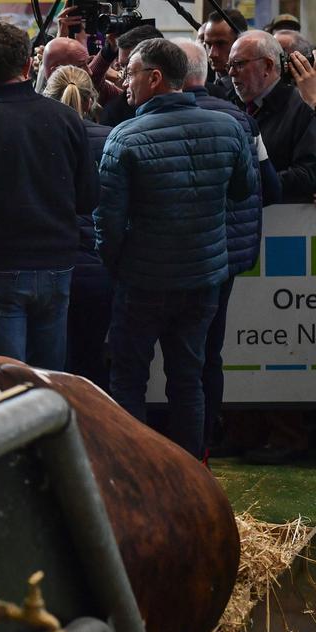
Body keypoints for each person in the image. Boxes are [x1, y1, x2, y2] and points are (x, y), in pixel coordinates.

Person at [94, 38, 256, 459]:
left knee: (128, 379)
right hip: (203, 279)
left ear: (155, 78)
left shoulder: (124, 138)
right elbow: (243, 192)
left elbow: (107, 223)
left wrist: (118, 266)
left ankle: (137, 471)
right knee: (189, 378)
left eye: (129, 72)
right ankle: (191, 473)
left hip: (143, 283)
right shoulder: (230, 128)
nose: (124, 81)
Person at [0, 21, 97, 372]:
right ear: (29, 65)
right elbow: (88, 197)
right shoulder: (66, 118)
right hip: (57, 264)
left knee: (5, 385)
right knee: (49, 382)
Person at [174, 37, 282, 458]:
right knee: (207, 355)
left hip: (167, 263)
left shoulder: (145, 121)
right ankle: (200, 448)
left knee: (164, 359)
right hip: (224, 261)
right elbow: (268, 187)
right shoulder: (242, 121)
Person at [42, 65, 112, 390]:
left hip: (51, 264)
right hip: (99, 267)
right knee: (93, 360)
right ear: (91, 99)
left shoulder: (38, 139)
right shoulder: (111, 138)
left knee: (54, 366)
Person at [229, 30, 316, 202]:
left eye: (239, 64)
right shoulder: (230, 104)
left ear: (268, 66)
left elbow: (307, 173)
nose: (231, 72)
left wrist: (251, 184)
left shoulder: (303, 106)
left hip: (286, 219)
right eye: (229, 65)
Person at [98, 24, 164, 126]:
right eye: (122, 67)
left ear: (155, 77)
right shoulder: (116, 111)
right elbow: (92, 83)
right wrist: (108, 51)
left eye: (129, 69)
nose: (125, 82)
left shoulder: (189, 102)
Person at [203, 9, 249, 99]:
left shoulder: (253, 86)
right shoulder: (198, 80)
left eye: (220, 44)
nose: (212, 54)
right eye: (208, 45)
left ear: (240, 42)